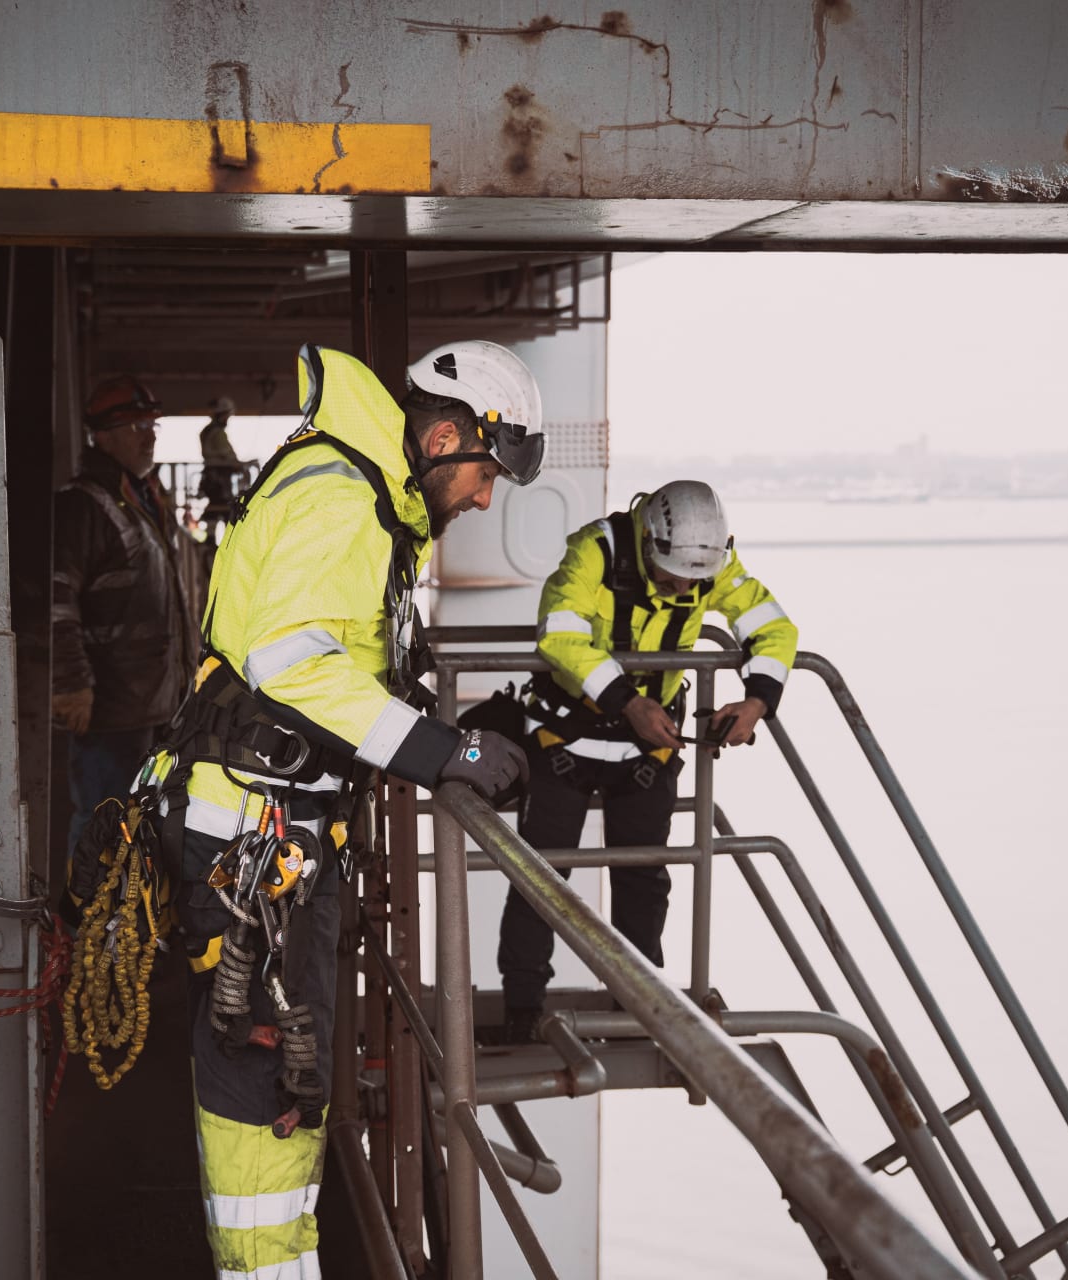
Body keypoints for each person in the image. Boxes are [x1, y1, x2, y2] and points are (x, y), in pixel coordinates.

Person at [160, 339, 541, 1278]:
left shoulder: (364, 492)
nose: (484, 499)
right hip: (254, 845)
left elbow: (339, 658)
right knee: (264, 1085)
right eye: (486, 474)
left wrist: (447, 730)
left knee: (284, 1078)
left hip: (269, 836)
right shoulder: (343, 500)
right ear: (445, 439)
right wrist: (445, 753)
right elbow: (292, 664)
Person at [497, 479, 798, 1041]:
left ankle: (637, 1004)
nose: (682, 588)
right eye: (671, 576)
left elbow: (772, 627)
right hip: (565, 739)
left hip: (647, 749)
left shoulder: (711, 566)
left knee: (644, 879)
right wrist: (628, 702)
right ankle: (520, 1011)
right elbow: (559, 634)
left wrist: (756, 701)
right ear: (647, 540)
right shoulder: (594, 550)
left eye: (693, 581)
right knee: (540, 878)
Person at [52, 374, 193, 871]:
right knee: (104, 821)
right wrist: (71, 683)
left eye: (152, 425)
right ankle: (85, 917)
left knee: (142, 823)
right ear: (103, 436)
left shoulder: (140, 499)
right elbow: (57, 600)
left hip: (153, 703)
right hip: (111, 708)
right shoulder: (82, 506)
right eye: (137, 427)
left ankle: (126, 916)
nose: (149, 436)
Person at [197, 395, 249, 544]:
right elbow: (226, 454)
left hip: (211, 476)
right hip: (219, 478)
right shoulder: (217, 433)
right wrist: (239, 465)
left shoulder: (207, 431)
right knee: (224, 507)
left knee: (215, 506)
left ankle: (211, 539)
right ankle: (229, 541)